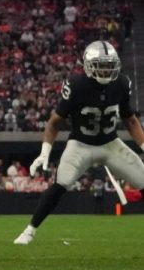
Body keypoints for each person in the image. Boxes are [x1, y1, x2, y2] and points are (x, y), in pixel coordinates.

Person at [15, 41, 144, 245]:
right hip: (80, 145)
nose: (105, 69)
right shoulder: (76, 85)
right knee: (60, 184)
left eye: (109, 65)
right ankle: (30, 230)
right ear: (87, 64)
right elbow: (54, 122)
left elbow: (130, 120)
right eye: (100, 64)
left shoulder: (121, 83)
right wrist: (44, 151)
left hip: (110, 144)